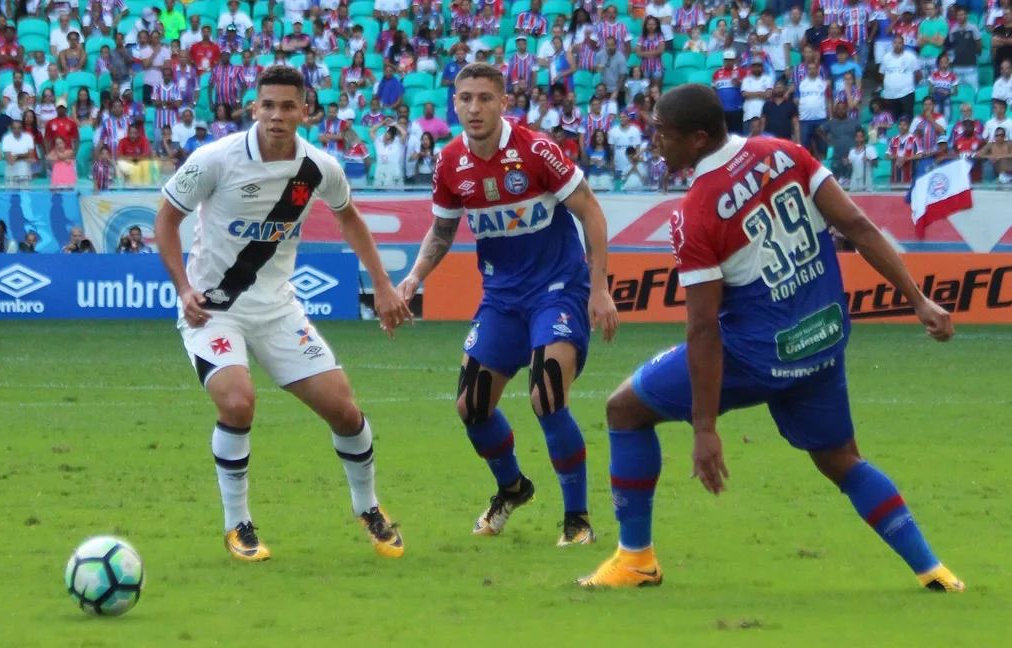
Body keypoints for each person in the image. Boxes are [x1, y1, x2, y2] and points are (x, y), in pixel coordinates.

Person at [576, 83, 963, 594]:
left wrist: (705, 428)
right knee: (841, 459)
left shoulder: (695, 214)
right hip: (821, 342)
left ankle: (635, 559)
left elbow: (703, 327)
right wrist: (918, 299)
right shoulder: (786, 153)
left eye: (662, 134)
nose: (656, 144)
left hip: (754, 357)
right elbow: (858, 224)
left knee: (623, 410)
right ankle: (933, 570)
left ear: (697, 138)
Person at [154, 66, 412, 562]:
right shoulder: (215, 159)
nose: (276, 115)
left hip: (278, 311)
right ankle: (238, 525)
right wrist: (183, 287)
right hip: (213, 310)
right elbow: (166, 218)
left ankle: (369, 508)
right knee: (236, 403)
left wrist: (381, 284)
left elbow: (349, 218)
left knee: (344, 410)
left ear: (305, 111)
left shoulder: (319, 168)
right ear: (254, 108)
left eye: (287, 106)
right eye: (267, 105)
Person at [396, 63, 618, 546]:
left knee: (547, 394)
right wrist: (414, 276)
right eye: (465, 98)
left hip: (558, 290)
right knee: (471, 407)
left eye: (484, 98)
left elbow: (592, 212)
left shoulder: (538, 150)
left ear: (504, 103)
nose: (474, 108)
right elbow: (441, 230)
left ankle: (577, 519)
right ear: (454, 103)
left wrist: (599, 289)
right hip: (501, 299)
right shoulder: (450, 162)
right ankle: (512, 488)